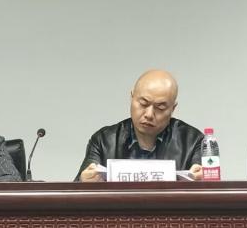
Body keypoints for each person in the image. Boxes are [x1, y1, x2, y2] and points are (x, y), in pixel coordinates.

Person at [76, 69, 204, 181]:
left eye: (160, 107)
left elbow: (206, 190)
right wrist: (84, 181)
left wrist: (204, 180)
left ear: (173, 108)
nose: (149, 114)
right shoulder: (104, 141)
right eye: (143, 103)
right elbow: (77, 191)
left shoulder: (193, 141)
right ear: (132, 98)